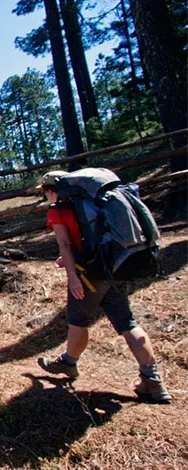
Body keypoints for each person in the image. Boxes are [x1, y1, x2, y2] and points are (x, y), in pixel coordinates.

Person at [36, 171, 171, 403]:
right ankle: (153, 379)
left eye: (46, 192)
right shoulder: (94, 203)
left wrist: (72, 275)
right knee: (127, 322)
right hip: (116, 266)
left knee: (77, 320)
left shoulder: (58, 209)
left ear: (52, 190)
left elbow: (65, 244)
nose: (46, 197)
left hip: (90, 275)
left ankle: (68, 363)